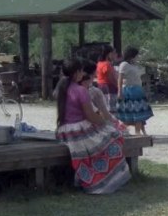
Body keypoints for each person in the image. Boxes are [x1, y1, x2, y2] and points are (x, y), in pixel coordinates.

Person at [56, 58, 131, 194]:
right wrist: (106, 123)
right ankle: (105, 178)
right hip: (79, 129)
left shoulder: (61, 89)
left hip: (64, 130)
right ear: (77, 73)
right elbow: (90, 116)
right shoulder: (80, 90)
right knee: (114, 136)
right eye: (81, 71)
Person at [115, 46, 153, 135]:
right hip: (130, 90)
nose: (138, 57)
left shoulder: (133, 65)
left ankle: (141, 131)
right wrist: (119, 91)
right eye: (136, 55)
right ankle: (135, 131)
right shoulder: (124, 65)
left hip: (137, 90)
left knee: (140, 112)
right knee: (134, 112)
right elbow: (120, 79)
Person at [82, 61, 125, 130]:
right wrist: (115, 123)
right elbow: (104, 113)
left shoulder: (71, 90)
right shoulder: (94, 92)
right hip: (90, 126)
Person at [96, 44, 119, 110]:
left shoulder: (99, 63)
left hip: (101, 86)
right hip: (108, 87)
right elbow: (111, 78)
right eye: (113, 53)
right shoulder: (106, 64)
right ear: (108, 54)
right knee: (111, 107)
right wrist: (118, 86)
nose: (115, 55)